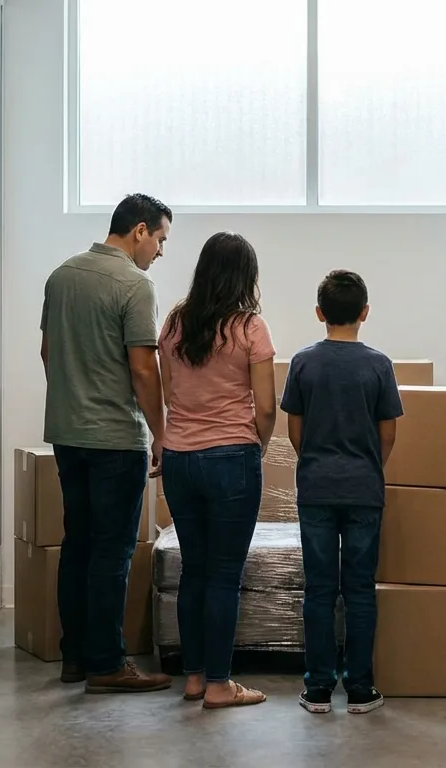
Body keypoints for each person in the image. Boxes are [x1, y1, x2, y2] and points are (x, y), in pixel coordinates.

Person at [40, 192, 174, 694]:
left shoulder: (62, 275)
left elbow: (48, 351)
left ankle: (74, 656)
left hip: (68, 436)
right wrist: (162, 434)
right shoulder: (135, 285)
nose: (160, 251)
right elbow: (143, 367)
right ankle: (107, 662)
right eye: (160, 238)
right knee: (112, 552)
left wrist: (74, 400)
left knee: (78, 545)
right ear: (139, 230)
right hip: (117, 439)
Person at [157, 232, 277, 710]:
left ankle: (193, 677)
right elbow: (266, 407)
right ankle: (221, 685)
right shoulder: (250, 328)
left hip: (180, 459)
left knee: (194, 571)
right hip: (232, 457)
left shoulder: (174, 323)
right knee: (225, 574)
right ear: (245, 276)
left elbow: (169, 394)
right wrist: (256, 448)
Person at [281, 270, 403, 715]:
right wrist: (369, 467)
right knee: (359, 590)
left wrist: (315, 461)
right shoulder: (378, 365)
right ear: (365, 313)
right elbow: (387, 433)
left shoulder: (303, 363)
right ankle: (360, 689)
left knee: (318, 590)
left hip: (315, 488)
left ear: (319, 314)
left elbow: (294, 430)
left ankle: (316, 689)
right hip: (364, 489)